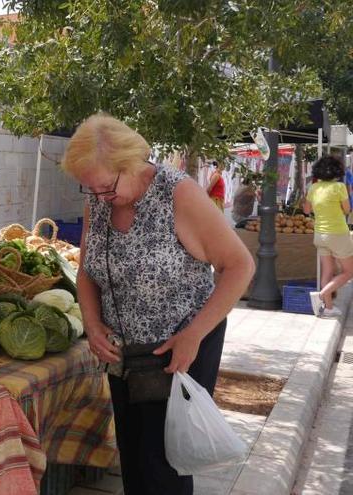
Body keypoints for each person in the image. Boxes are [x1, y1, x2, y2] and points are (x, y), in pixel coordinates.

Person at [61, 113, 254, 495]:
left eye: (105, 188)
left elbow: (239, 266)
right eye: (91, 191)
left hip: (178, 350)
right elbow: (87, 271)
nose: (100, 199)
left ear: (130, 162)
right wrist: (92, 321)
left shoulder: (178, 193)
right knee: (133, 458)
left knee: (163, 464)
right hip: (124, 355)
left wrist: (194, 335)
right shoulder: (100, 200)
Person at [304, 155, 353, 318]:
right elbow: (347, 210)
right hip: (338, 233)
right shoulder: (339, 187)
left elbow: (306, 210)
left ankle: (329, 308)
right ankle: (321, 295)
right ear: (336, 171)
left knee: (327, 271)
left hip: (320, 234)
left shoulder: (314, 188)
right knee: (349, 272)